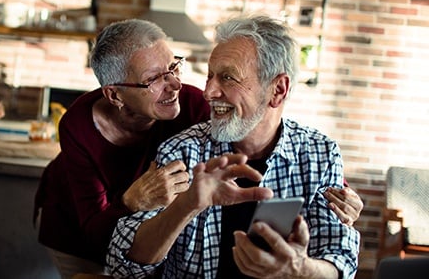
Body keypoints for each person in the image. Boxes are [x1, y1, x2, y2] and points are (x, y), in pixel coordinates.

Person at [34, 18, 363, 278]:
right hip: (75, 228)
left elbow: (340, 255)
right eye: (154, 80)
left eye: (174, 68)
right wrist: (179, 203)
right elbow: (121, 260)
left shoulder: (317, 152)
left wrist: (302, 269)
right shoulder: (85, 128)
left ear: (278, 90)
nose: (204, 92)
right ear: (115, 96)